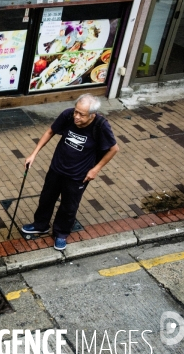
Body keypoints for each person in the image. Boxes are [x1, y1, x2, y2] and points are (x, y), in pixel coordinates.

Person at [22, 94, 119, 251]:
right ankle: (41, 225)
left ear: (92, 115)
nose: (76, 117)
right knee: (46, 198)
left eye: (81, 114)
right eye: (76, 112)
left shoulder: (101, 126)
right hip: (57, 168)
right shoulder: (67, 115)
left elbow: (114, 149)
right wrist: (33, 154)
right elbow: (50, 131)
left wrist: (96, 169)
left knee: (69, 206)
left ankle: (61, 233)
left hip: (78, 175)